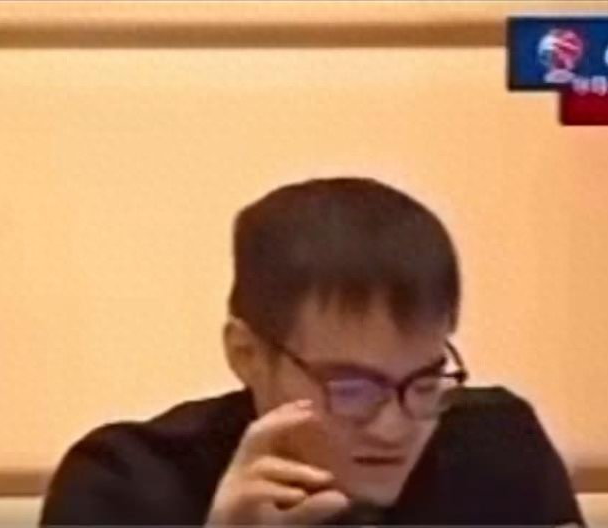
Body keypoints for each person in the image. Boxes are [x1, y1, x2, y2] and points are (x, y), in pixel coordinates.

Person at [40, 177, 583, 526]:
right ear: (247, 354)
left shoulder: (500, 449)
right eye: (352, 388)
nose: (394, 428)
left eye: (423, 383)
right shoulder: (124, 485)